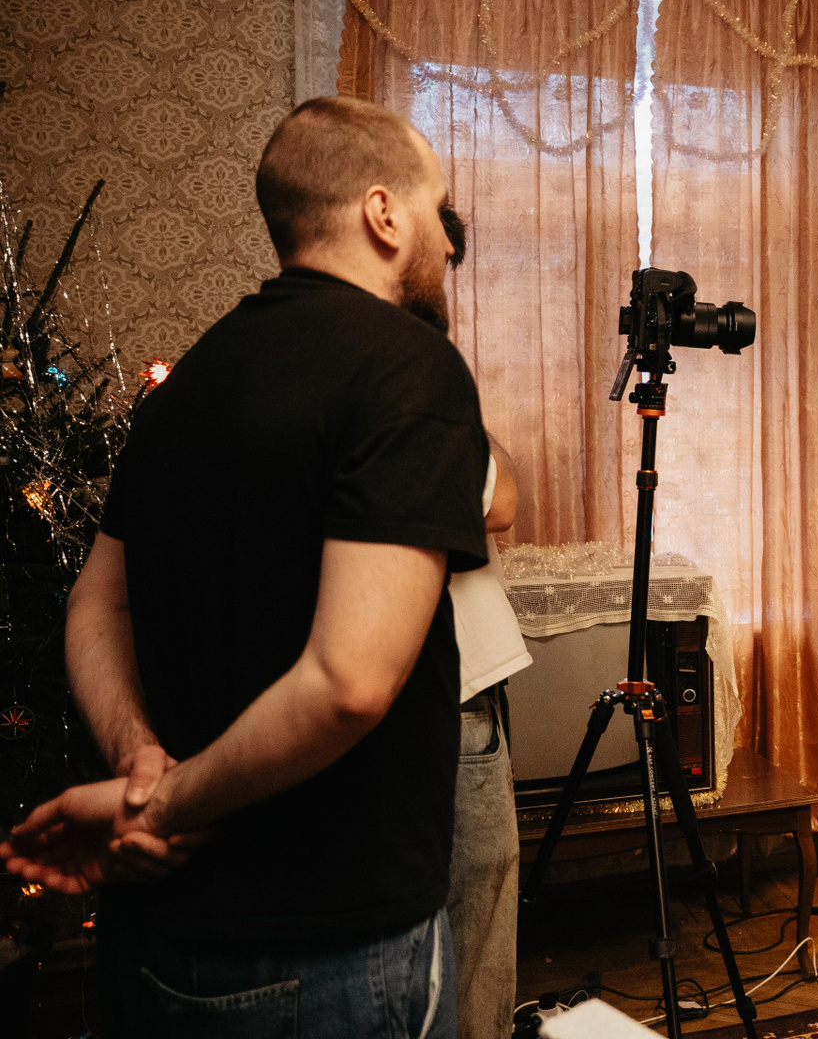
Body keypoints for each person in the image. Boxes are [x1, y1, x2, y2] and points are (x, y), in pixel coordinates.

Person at [2, 96, 489, 1038]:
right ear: (384, 214)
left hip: (152, 938)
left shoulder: (188, 380)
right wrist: (163, 805)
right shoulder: (407, 367)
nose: (444, 238)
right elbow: (349, 681)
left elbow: (96, 604)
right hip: (330, 949)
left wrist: (136, 761)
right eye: (437, 210)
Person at [436, 203, 532, 1039]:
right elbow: (500, 502)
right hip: (453, 683)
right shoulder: (413, 372)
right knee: (475, 901)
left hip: (445, 677)